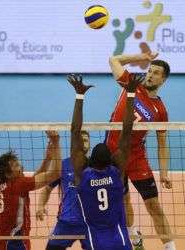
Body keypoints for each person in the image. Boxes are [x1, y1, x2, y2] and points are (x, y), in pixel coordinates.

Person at [107, 52, 175, 250]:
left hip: (137, 158)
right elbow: (114, 60)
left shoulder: (160, 110)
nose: (150, 75)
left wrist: (164, 172)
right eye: (150, 71)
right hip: (113, 155)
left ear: (163, 79)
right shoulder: (131, 84)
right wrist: (141, 56)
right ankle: (134, 236)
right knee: (123, 199)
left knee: (153, 204)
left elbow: (162, 143)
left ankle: (170, 247)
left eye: (156, 73)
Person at [69, 73, 138, 250]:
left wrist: (79, 96)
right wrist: (130, 94)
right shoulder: (117, 172)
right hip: (119, 236)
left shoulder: (81, 173)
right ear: (112, 159)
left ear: (90, 159)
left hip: (94, 238)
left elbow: (75, 131)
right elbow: (128, 129)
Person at [0, 130, 62, 250]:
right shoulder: (18, 184)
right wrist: (56, 142)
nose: (21, 167)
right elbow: (55, 173)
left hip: (1, 239)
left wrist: (47, 159)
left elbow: (33, 179)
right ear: (8, 174)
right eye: (17, 166)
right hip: (15, 241)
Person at [36, 130, 90, 250]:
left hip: (89, 223)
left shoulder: (94, 165)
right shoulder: (64, 165)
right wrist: (40, 205)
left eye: (86, 140)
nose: (83, 144)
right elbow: (47, 189)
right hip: (66, 222)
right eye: (80, 141)